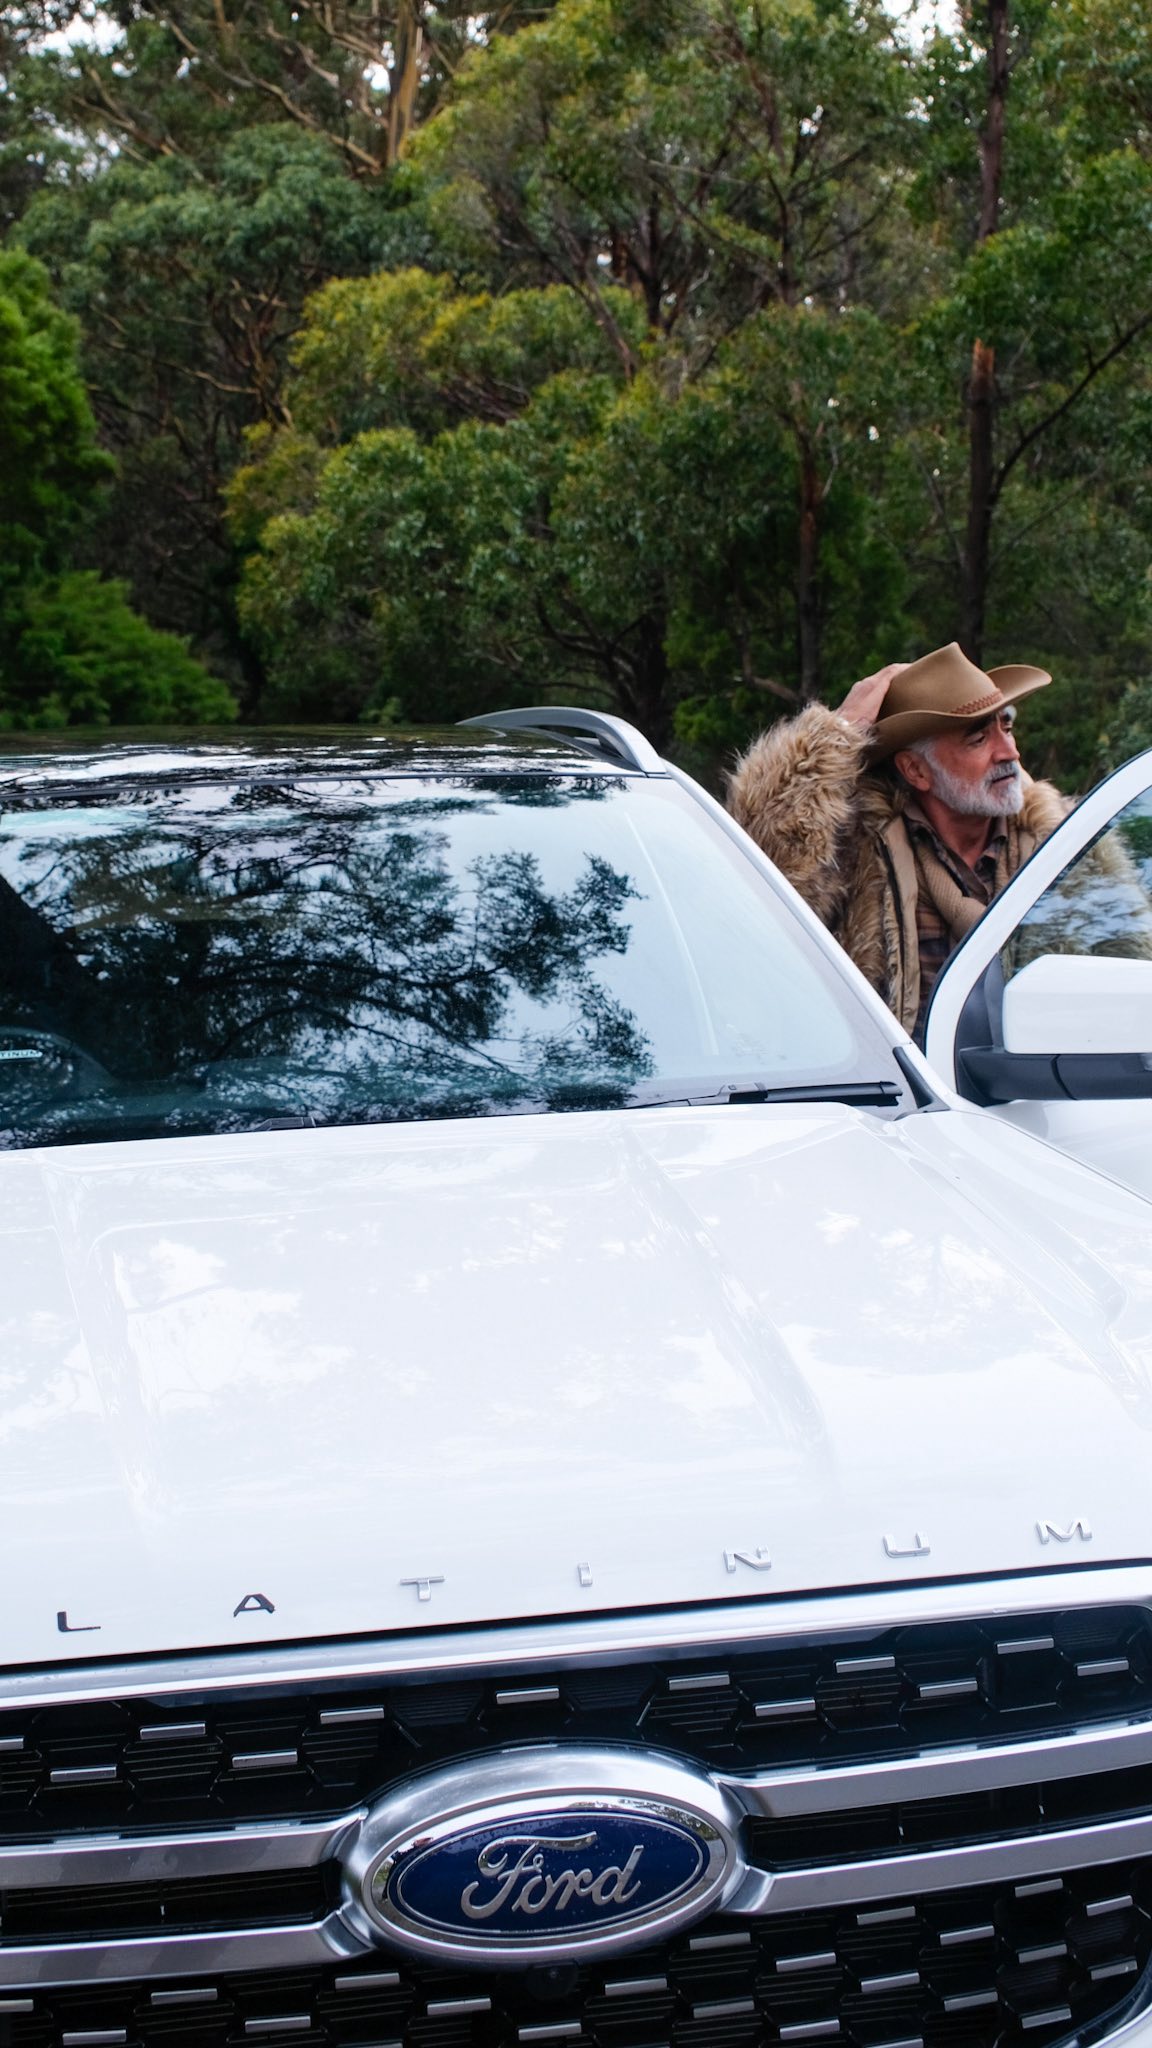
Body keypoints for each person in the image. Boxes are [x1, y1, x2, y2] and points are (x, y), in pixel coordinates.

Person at [727, 640, 1068, 1043]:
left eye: (1006, 726)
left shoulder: (1059, 846)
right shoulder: (861, 849)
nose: (1008, 750)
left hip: (1039, 1098)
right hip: (902, 1101)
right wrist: (837, 734)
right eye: (978, 738)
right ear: (915, 771)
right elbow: (760, 890)